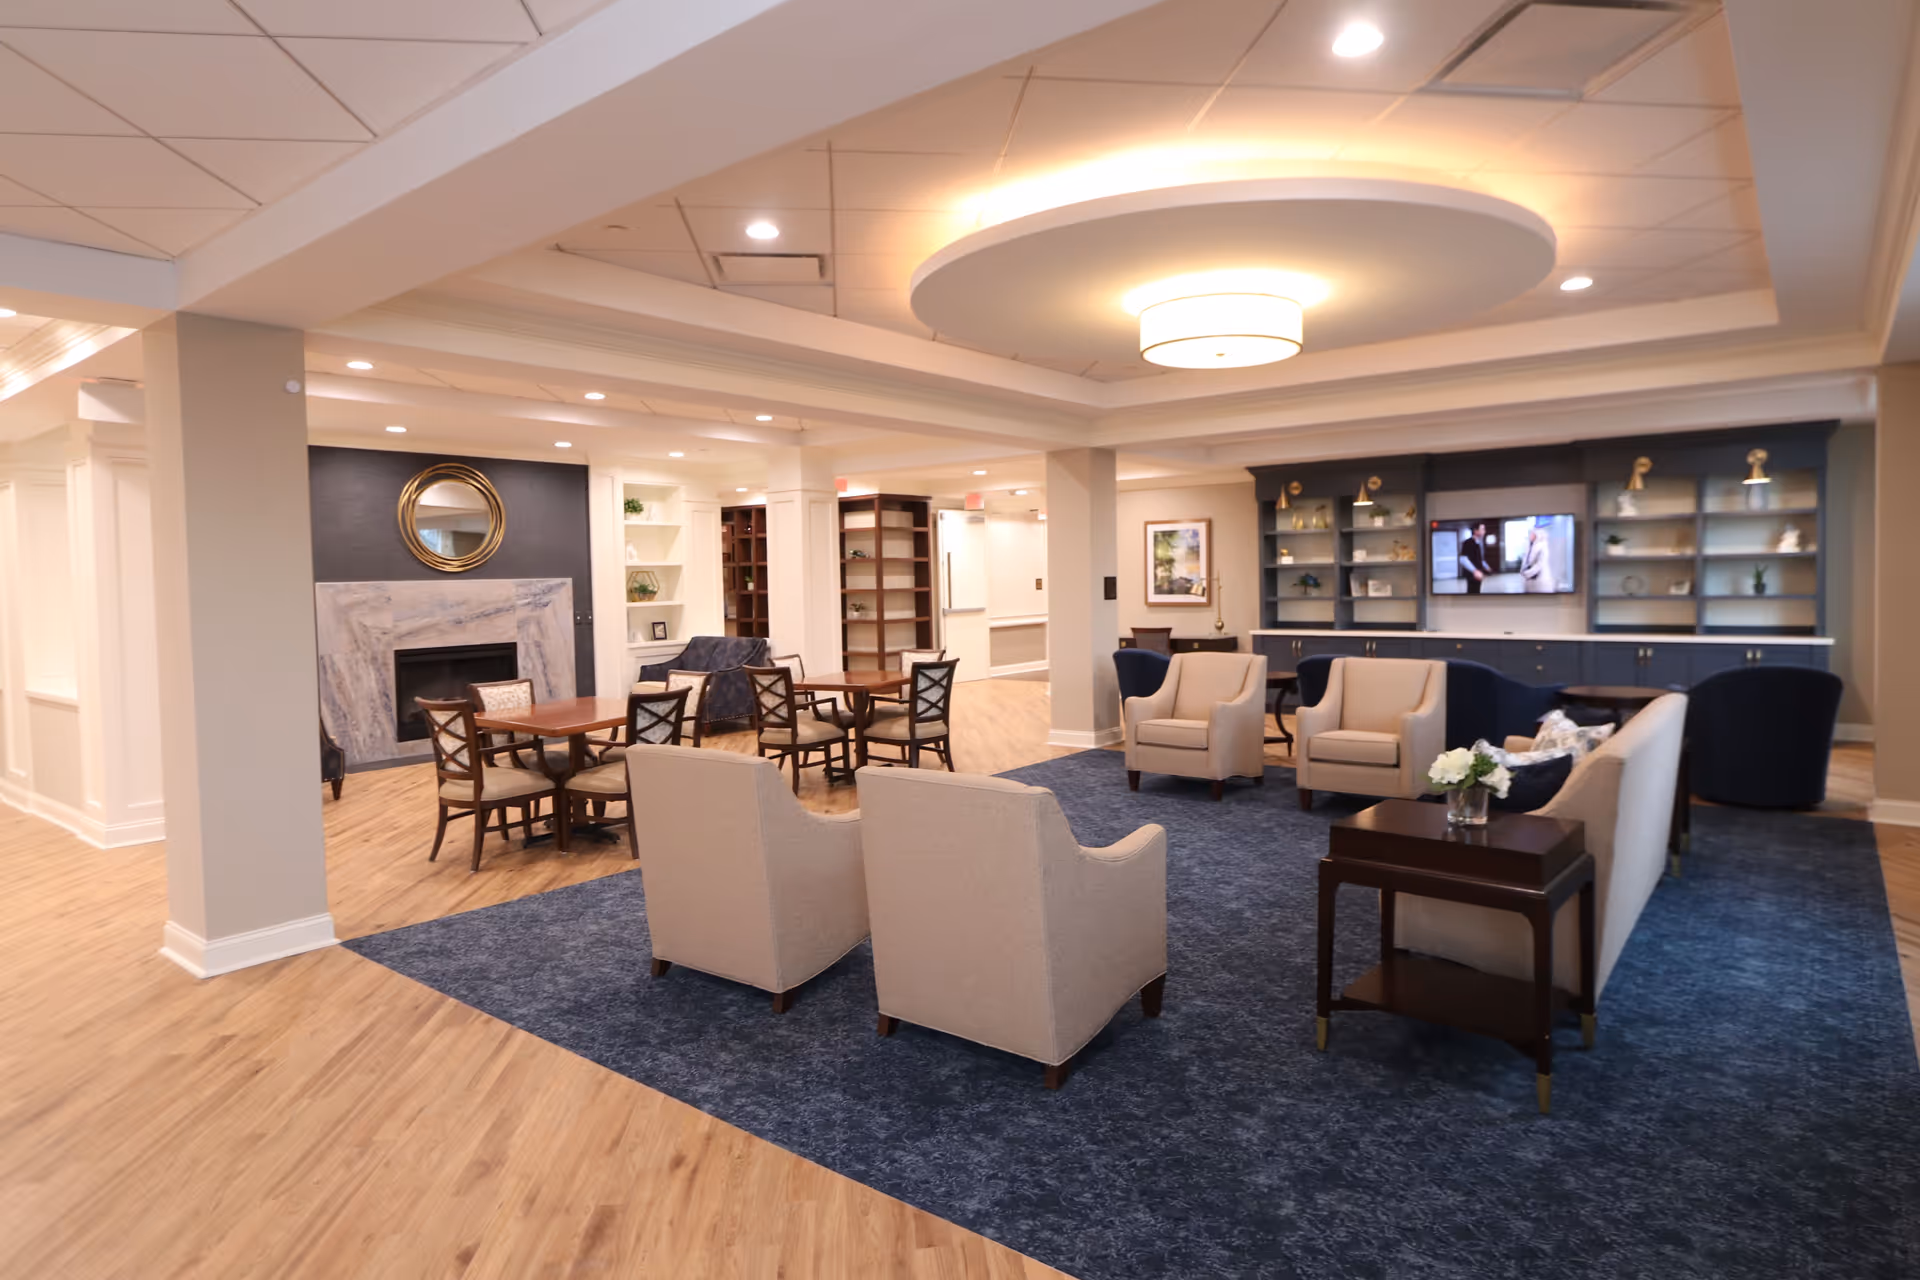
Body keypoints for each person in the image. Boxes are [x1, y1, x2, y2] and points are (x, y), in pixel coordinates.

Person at [1457, 521, 1490, 594]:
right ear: (1476, 531)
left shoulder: (1478, 543)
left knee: (1476, 591)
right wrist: (1475, 571)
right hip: (1472, 574)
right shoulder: (1468, 543)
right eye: (1482, 529)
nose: (1484, 531)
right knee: (1472, 592)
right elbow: (1463, 559)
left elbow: (1479, 558)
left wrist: (1486, 566)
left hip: (1478, 572)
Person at [1521, 525, 1554, 593]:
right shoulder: (1529, 545)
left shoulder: (1543, 546)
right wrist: (1523, 570)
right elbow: (1525, 560)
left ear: (1537, 535)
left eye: (1532, 534)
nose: (1530, 535)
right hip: (1529, 579)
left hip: (1540, 580)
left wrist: (1528, 573)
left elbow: (1540, 564)